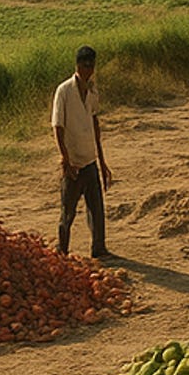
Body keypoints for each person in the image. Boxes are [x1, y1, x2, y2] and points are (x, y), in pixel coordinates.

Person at [52, 45, 111, 259]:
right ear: (77, 66)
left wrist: (102, 161)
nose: (88, 69)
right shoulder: (64, 91)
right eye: (85, 65)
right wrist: (65, 159)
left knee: (96, 209)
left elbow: (95, 122)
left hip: (89, 159)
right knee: (67, 211)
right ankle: (62, 250)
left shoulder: (92, 91)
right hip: (74, 162)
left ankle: (99, 249)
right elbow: (57, 127)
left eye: (91, 66)